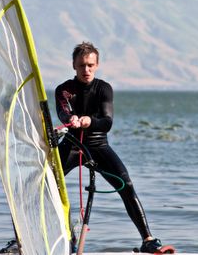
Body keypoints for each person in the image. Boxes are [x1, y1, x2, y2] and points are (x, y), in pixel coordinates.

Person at [55, 41, 166, 253]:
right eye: (81, 66)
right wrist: (71, 118)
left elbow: (107, 121)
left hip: (98, 146)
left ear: (96, 65)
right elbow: (62, 112)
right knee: (45, 185)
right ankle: (28, 238)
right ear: (73, 66)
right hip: (72, 146)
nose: (86, 70)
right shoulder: (64, 90)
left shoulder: (103, 88)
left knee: (127, 186)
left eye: (90, 65)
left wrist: (89, 120)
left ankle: (148, 240)